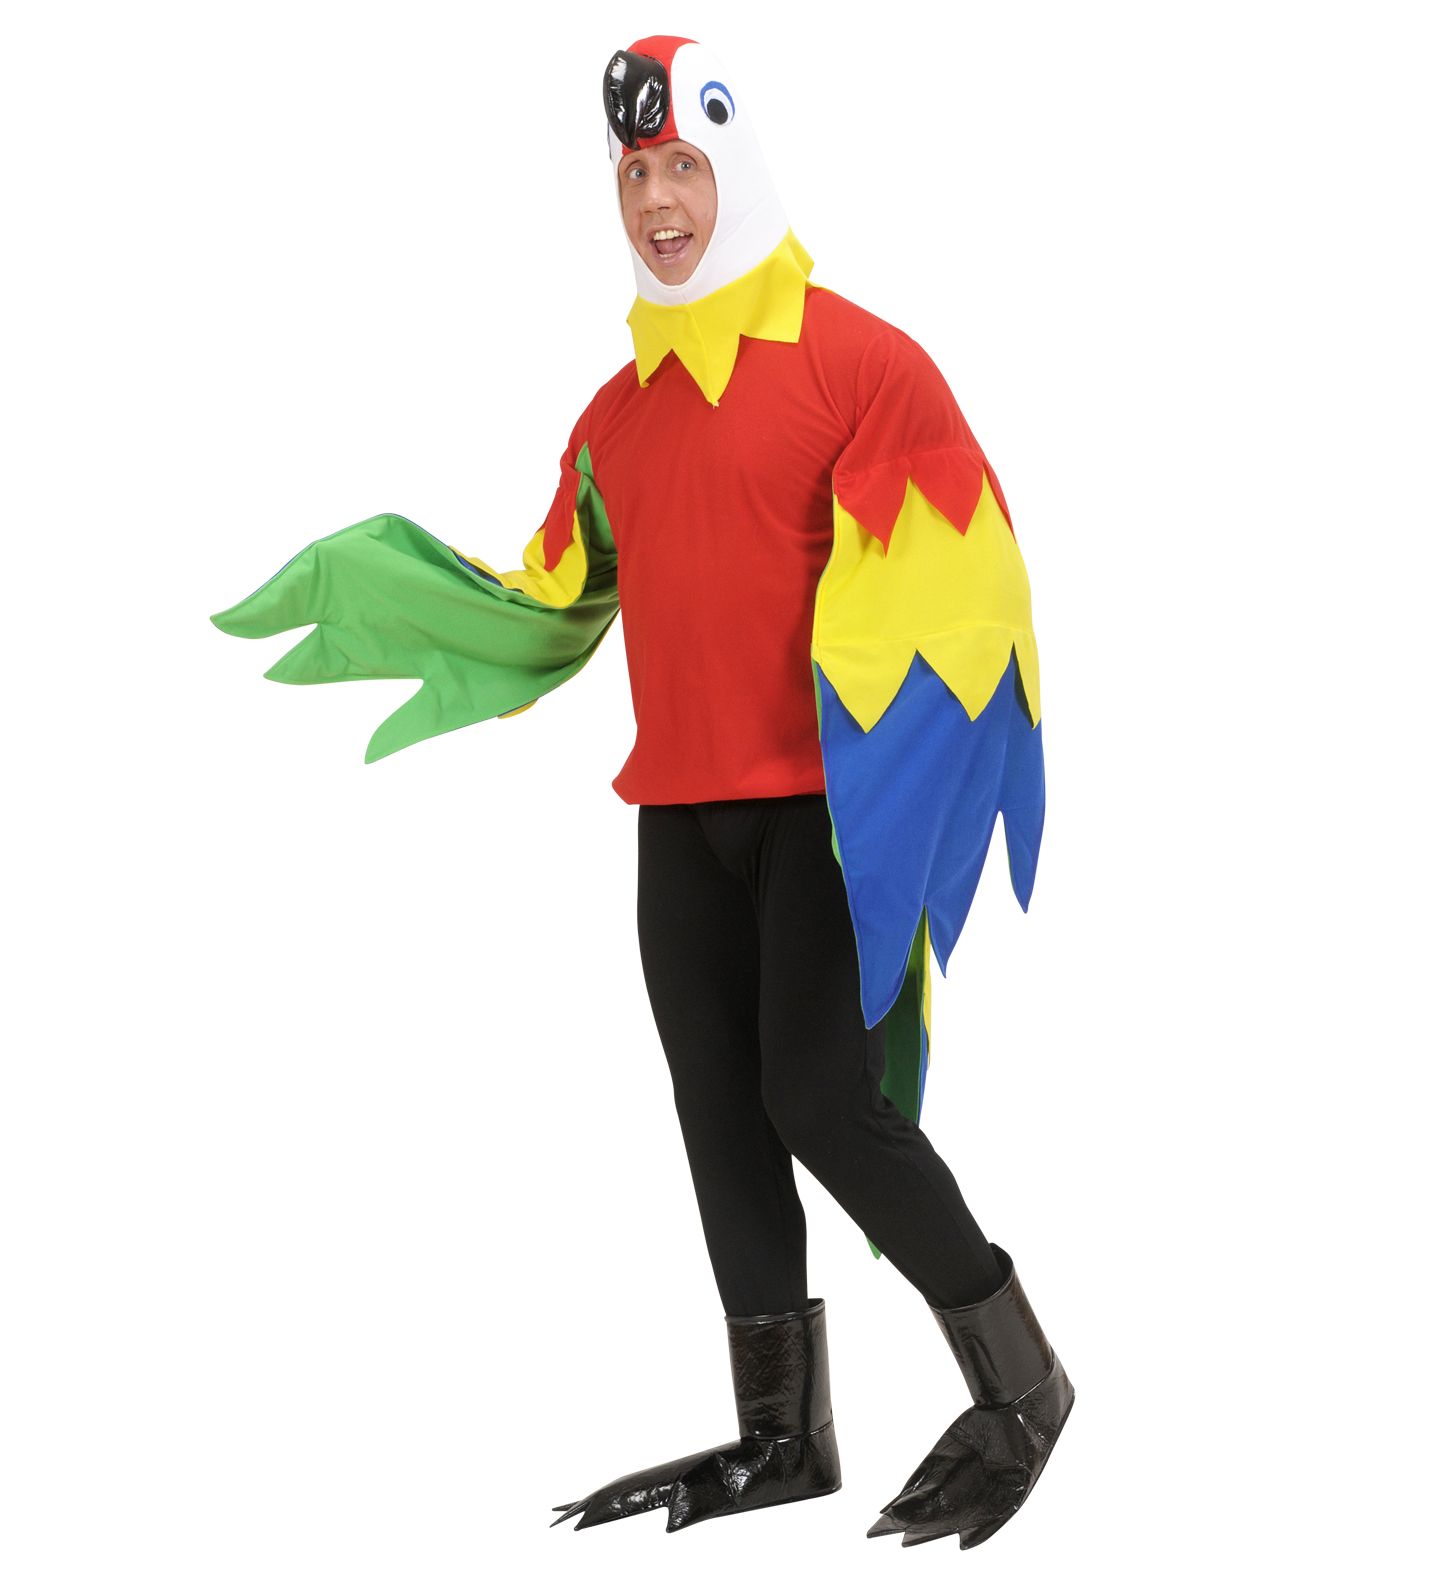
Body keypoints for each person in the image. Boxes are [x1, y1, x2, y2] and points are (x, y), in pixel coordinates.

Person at [211, 33, 1073, 1553]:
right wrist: (400, 583)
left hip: (823, 816)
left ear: (734, 166)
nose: (659, 201)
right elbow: (558, 590)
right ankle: (782, 1435)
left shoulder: (864, 365)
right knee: (719, 1111)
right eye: (632, 173)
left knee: (822, 1101)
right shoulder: (617, 416)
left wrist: (897, 780)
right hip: (677, 819)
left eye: (682, 165)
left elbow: (967, 586)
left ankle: (1023, 1387)